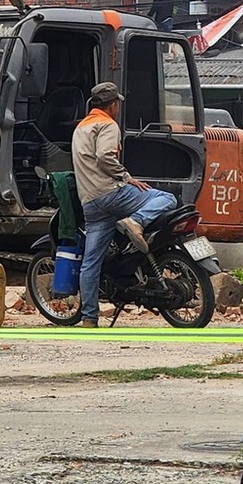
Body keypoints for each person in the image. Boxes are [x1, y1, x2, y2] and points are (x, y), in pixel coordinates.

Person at [71, 82, 176, 327]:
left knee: (91, 262)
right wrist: (126, 177)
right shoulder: (107, 124)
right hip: (112, 194)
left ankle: (89, 318)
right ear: (113, 105)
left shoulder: (80, 128)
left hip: (91, 201)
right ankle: (135, 222)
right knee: (165, 198)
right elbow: (105, 156)